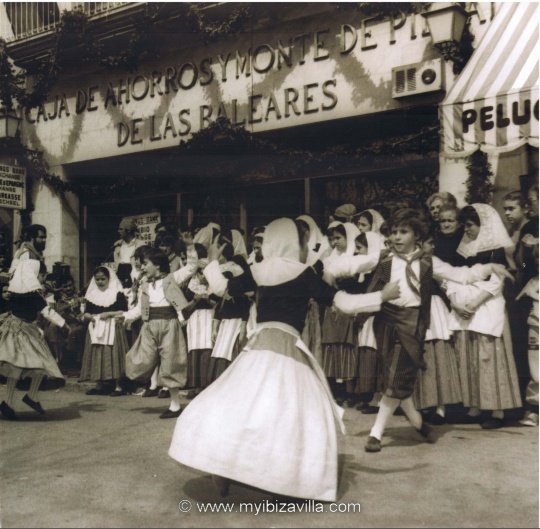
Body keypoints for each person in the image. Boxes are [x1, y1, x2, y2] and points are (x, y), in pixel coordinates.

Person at [169, 217, 392, 501]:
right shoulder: (304, 273)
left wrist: (208, 257)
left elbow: (219, 287)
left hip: (257, 345)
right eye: (300, 241)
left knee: (241, 407)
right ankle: (284, 477)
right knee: (288, 414)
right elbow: (344, 303)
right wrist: (381, 297)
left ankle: (225, 465)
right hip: (286, 346)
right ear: (292, 242)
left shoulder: (257, 270)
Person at [334, 208, 517, 452]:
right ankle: (419, 424)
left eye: (403, 232)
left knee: (397, 375)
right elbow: (372, 288)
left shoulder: (428, 262)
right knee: (394, 378)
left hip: (412, 325)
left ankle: (376, 434)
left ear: (417, 235)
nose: (397, 237)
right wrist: (358, 312)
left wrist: (488, 268)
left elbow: (459, 275)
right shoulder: (387, 261)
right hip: (386, 324)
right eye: (394, 232)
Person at [447, 204, 522, 429]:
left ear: (484, 225)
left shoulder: (496, 250)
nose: (466, 230)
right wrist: (457, 301)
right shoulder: (464, 249)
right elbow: (456, 276)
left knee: (490, 358)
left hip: (487, 306)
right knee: (470, 359)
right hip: (466, 308)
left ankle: (497, 411)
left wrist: (475, 302)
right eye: (465, 226)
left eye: (470, 225)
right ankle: (474, 407)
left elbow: (496, 282)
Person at [120, 249, 189, 418]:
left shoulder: (171, 278)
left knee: (171, 362)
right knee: (141, 357)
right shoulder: (145, 285)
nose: (143, 267)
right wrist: (126, 316)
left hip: (169, 324)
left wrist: (190, 248)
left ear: (157, 265)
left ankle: (175, 406)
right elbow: (140, 308)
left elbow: (191, 267)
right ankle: (134, 378)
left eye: (145, 263)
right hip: (150, 325)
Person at [0, 260, 68, 420]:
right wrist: (63, 323)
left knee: (17, 366)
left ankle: (12, 402)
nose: (43, 279)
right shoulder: (33, 294)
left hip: (15, 328)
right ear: (33, 275)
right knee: (41, 363)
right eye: (42, 275)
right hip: (23, 331)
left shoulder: (16, 291)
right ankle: (28, 397)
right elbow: (47, 311)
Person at [413, 232, 462, 425]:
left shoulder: (433, 261)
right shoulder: (407, 262)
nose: (433, 246)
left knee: (438, 356)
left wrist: (455, 301)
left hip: (433, 310)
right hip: (415, 310)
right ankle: (424, 403)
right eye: (429, 242)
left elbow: (447, 283)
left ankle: (441, 408)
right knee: (422, 357)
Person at [205, 230, 255, 383]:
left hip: (238, 321)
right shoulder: (229, 268)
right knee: (222, 354)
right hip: (227, 320)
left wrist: (243, 325)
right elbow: (221, 299)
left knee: (233, 355)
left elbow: (222, 291)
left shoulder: (235, 268)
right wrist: (216, 324)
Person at [321, 222, 361, 405]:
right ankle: (336, 389)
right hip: (334, 307)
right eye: (333, 238)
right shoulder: (331, 258)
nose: (335, 242)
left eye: (338, 238)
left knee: (348, 346)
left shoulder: (356, 257)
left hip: (350, 305)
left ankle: (350, 390)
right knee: (334, 345)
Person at [79, 266, 129, 396]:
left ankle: (118, 386)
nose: (100, 282)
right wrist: (88, 315)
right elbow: (87, 311)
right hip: (96, 327)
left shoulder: (117, 292)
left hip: (112, 325)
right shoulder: (92, 294)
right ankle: (99, 384)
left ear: (109, 278)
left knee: (114, 354)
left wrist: (110, 313)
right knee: (97, 354)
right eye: (97, 279)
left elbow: (124, 310)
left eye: (103, 279)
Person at [516, 240, 539, 427]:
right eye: (538, 256)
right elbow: (520, 265)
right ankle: (533, 409)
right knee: (536, 369)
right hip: (536, 329)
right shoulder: (533, 282)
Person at [113, 218, 145, 289]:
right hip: (120, 273)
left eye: (121, 229)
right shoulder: (118, 244)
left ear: (128, 231)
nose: (118, 231)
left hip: (134, 273)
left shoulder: (141, 244)